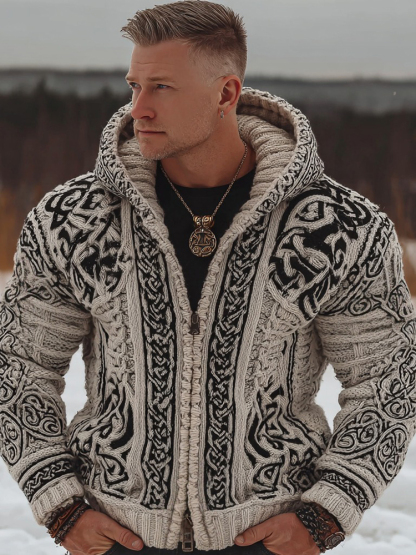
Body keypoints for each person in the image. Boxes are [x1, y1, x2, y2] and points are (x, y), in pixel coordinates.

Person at [0, 1, 415, 554]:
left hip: (269, 535)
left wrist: (326, 514)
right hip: (115, 534)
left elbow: (388, 381)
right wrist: (60, 504)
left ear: (225, 93)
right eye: (134, 86)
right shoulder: (74, 219)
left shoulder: (340, 228)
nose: (138, 108)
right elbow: (19, 365)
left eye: (162, 87)